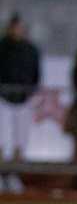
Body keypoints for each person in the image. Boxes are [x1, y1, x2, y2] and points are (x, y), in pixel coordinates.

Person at [0, 13, 40, 194]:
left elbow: (36, 74)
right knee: (1, 140)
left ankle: (12, 175)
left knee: (20, 141)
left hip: (23, 100)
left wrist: (30, 92)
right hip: (3, 99)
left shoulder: (31, 50)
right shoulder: (2, 47)